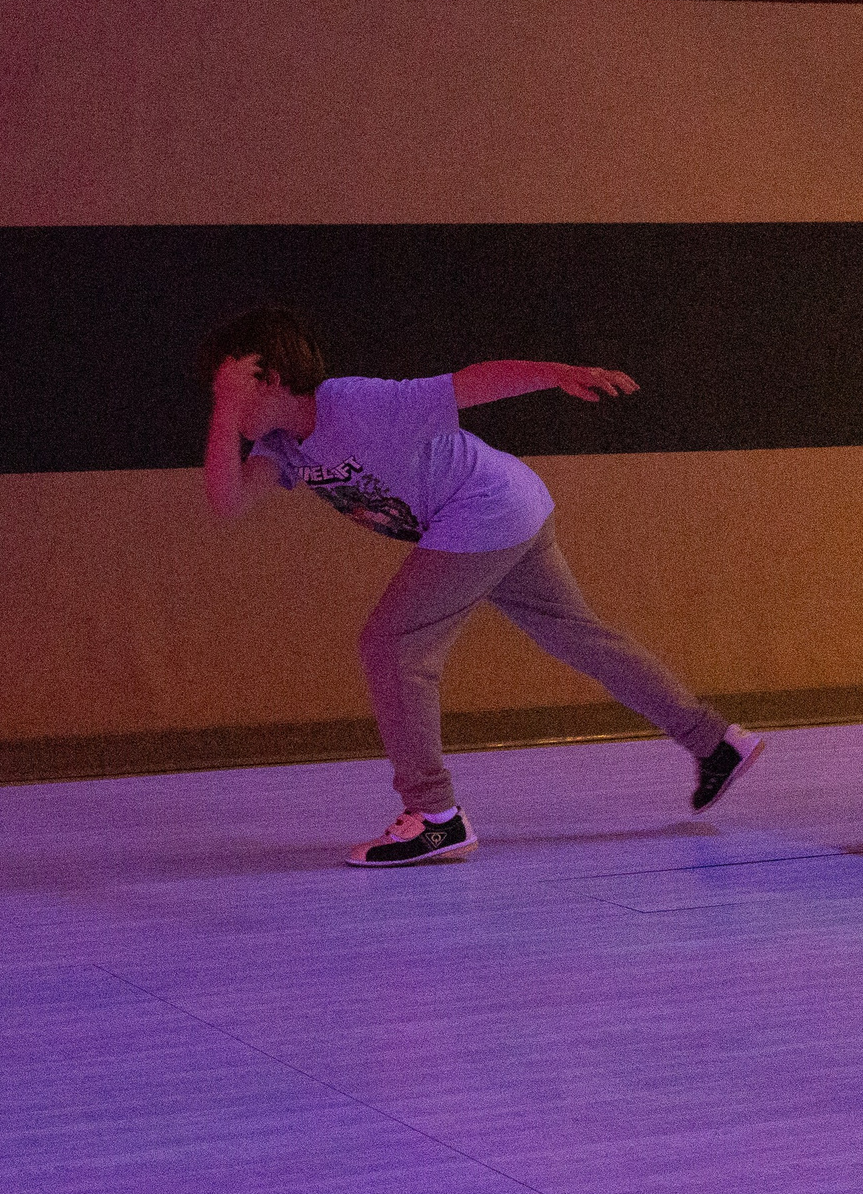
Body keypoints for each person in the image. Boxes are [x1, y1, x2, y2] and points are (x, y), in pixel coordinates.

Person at [197, 306, 761, 867]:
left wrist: (560, 373)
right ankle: (715, 742)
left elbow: (468, 384)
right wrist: (226, 408)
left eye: (229, 385)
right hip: (509, 505)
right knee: (578, 637)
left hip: (483, 506)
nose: (223, 400)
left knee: (393, 643)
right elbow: (228, 502)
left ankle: (435, 817)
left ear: (271, 378)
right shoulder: (281, 445)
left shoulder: (352, 402)